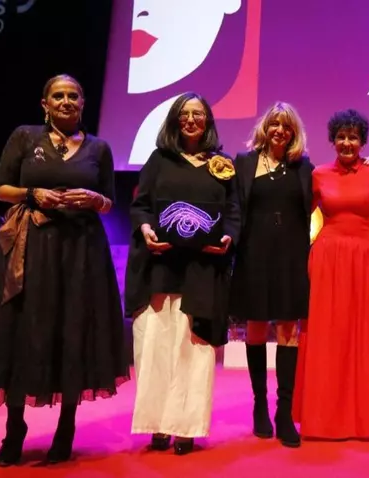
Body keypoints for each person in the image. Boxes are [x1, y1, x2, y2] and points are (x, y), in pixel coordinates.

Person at [0, 74, 129, 466]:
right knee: (21, 329)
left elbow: (109, 202)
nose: (66, 101)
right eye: (58, 96)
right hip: (29, 246)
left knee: (73, 329)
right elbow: (2, 189)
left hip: (81, 251)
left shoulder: (99, 148)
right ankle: (14, 429)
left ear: (83, 103)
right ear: (45, 104)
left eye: (73, 96)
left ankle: (66, 430)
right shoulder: (24, 137)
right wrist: (33, 193)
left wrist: (95, 198)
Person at [124, 92, 239, 455]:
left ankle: (186, 428)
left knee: (193, 349)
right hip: (160, 267)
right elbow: (141, 206)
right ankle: (157, 426)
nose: (191, 120)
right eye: (185, 114)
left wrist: (228, 236)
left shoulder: (222, 164)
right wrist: (146, 229)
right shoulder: (159, 160)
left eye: (198, 114)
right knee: (155, 347)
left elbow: (233, 211)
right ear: (175, 120)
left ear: (208, 122)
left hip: (202, 268)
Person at [292, 109, 369, 440]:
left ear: (362, 141)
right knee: (324, 335)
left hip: (364, 258)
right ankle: (320, 416)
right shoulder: (318, 174)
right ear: (332, 140)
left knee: (360, 336)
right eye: (341, 137)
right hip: (327, 258)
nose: (347, 142)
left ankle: (357, 417)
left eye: (353, 137)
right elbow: (299, 214)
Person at [229, 102, 312, 448]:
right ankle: (260, 405)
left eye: (287, 126)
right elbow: (233, 207)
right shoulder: (244, 162)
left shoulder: (304, 166)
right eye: (275, 123)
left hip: (291, 256)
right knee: (257, 328)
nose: (280, 130)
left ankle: (284, 412)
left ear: (294, 133)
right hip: (254, 254)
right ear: (265, 127)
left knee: (289, 330)